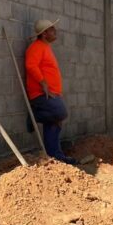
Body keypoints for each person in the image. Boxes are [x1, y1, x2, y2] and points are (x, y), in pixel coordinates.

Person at [25, 19, 77, 165]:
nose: (55, 31)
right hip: (41, 94)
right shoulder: (36, 47)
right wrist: (43, 83)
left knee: (55, 122)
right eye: (52, 29)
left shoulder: (46, 47)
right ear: (44, 33)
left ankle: (55, 156)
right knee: (61, 112)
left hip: (52, 93)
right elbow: (31, 65)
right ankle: (34, 115)